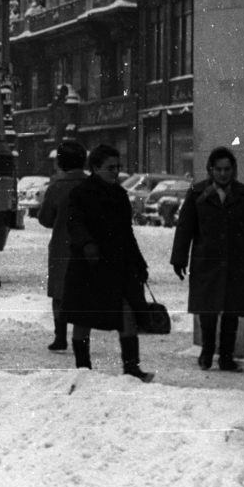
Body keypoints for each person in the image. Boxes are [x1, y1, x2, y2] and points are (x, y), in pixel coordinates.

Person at [171, 147, 244, 372]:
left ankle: (226, 357)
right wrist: (179, 259)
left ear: (234, 170)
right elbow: (185, 228)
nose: (223, 174)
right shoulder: (197, 194)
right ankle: (207, 352)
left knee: (231, 311)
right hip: (206, 263)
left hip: (237, 264)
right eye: (219, 169)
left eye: (227, 169)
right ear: (210, 170)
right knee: (207, 310)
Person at [61, 143, 154, 381]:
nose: (115, 172)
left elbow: (127, 233)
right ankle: (83, 369)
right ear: (95, 168)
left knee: (127, 313)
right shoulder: (81, 192)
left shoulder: (120, 194)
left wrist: (139, 263)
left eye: (118, 167)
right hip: (89, 265)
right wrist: (87, 243)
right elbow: (75, 223)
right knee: (83, 317)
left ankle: (132, 368)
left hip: (118, 265)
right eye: (110, 167)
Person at [37, 140, 90, 352]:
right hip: (88, 247)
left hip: (61, 247)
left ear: (60, 163)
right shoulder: (93, 186)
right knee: (84, 295)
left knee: (59, 293)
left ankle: (60, 337)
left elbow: (45, 219)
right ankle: (82, 337)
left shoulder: (55, 187)